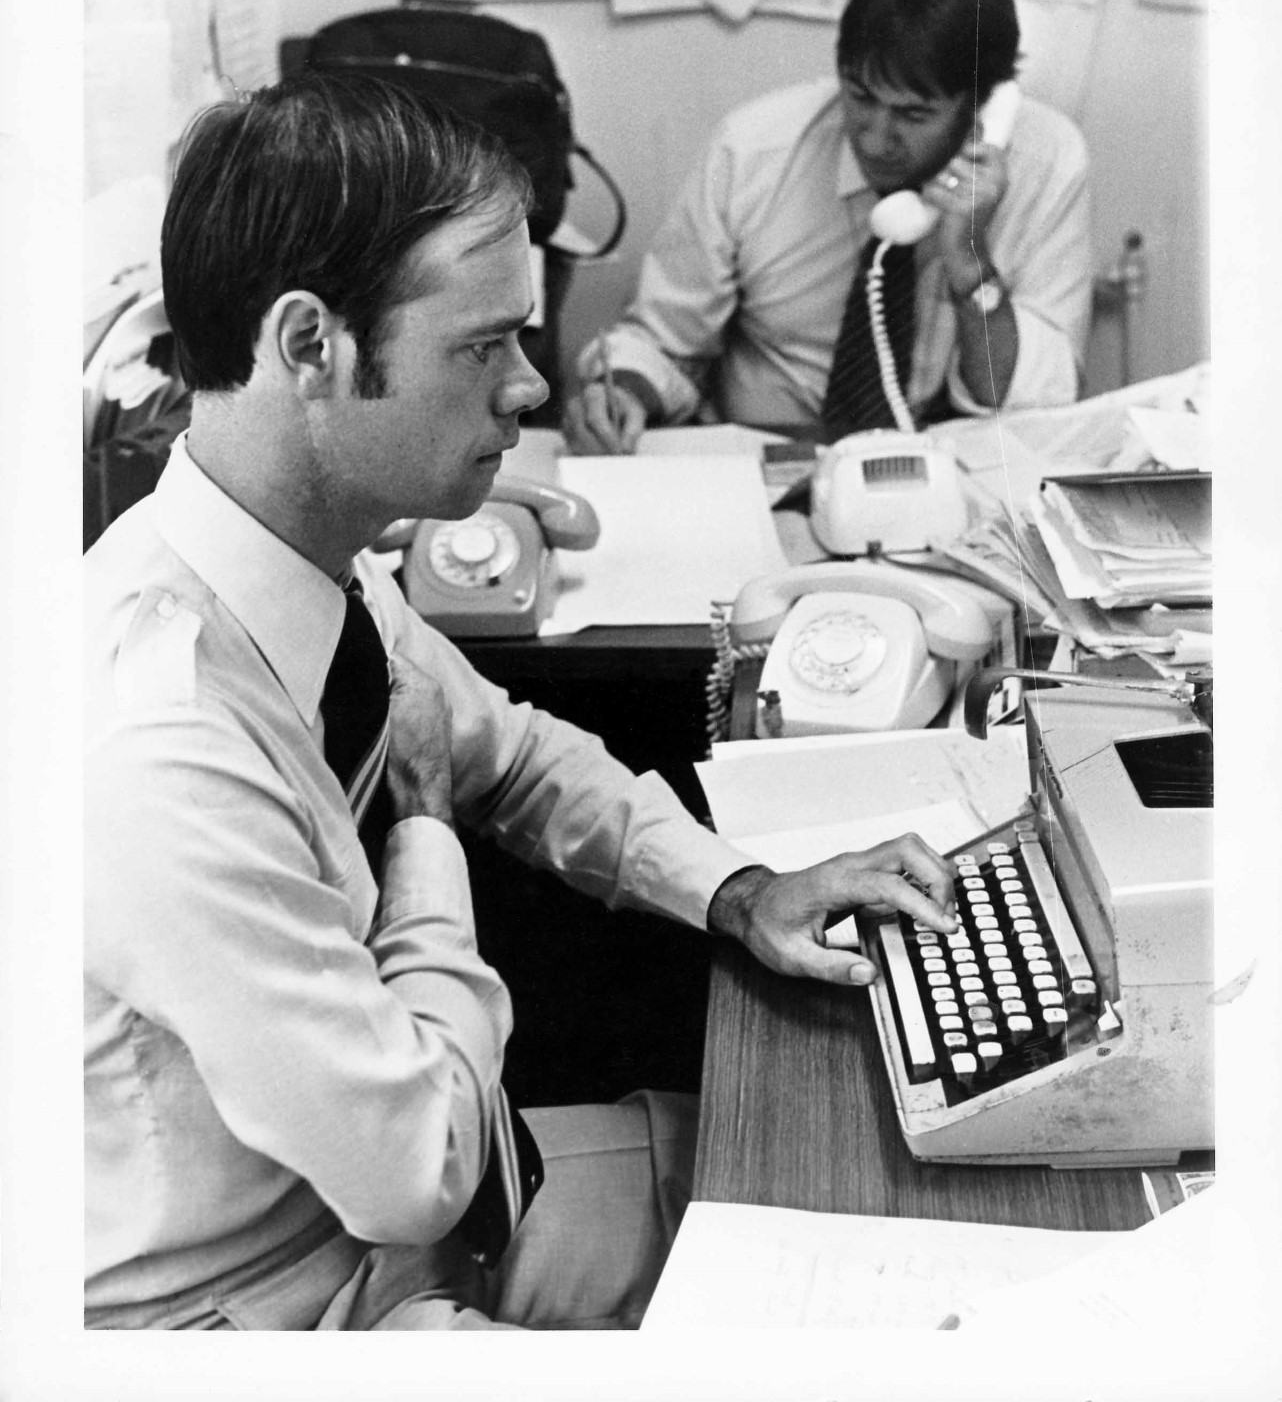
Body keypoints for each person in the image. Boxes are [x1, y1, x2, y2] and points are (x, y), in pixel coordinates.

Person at [83, 73, 958, 1331]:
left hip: (427, 1191)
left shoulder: (314, 565)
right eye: (483, 346)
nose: (531, 389)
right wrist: (427, 840)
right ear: (307, 345)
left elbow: (511, 754)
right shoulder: (157, 742)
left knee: (850, 1210)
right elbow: (411, 1172)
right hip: (278, 1303)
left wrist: (739, 889)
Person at [563, 0, 1092, 454]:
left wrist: (969, 260)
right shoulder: (752, 151)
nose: (874, 138)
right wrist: (625, 392)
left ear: (983, 106)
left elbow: (1035, 403)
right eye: (860, 97)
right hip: (772, 448)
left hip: (951, 462)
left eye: (913, 115)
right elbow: (666, 339)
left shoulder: (1045, 162)